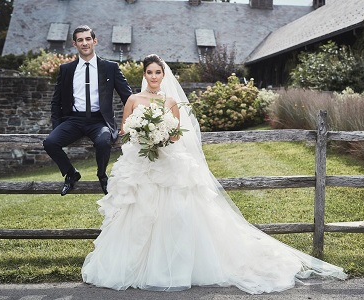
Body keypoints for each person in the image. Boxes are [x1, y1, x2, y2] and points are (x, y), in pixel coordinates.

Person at [81, 54, 347, 294]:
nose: (153, 77)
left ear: (163, 75)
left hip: (167, 164)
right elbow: (124, 131)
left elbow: (176, 136)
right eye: (149, 72)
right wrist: (142, 133)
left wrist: (160, 136)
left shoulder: (171, 102)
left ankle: (174, 265)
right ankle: (133, 264)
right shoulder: (133, 99)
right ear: (144, 75)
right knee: (138, 212)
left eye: (157, 72)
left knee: (176, 212)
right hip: (140, 164)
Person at [43, 25, 133, 196]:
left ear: (94, 41)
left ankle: (102, 175)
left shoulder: (110, 67)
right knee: (50, 142)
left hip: (99, 120)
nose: (84, 43)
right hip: (74, 120)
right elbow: (56, 101)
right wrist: (57, 126)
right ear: (74, 44)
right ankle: (71, 173)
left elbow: (128, 97)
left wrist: (128, 123)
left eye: (88, 39)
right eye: (80, 40)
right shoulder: (66, 69)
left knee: (103, 142)